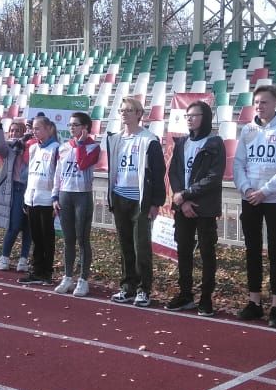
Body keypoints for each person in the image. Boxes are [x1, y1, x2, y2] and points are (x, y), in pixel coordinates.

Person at [233, 84, 276, 327]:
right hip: (250, 198)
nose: (260, 106)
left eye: (265, 102)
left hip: (275, 200)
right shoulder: (248, 130)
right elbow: (239, 163)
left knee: (275, 252)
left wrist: (265, 191)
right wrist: (247, 189)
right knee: (252, 250)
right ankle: (254, 302)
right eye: (257, 102)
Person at [106, 96, 167, 308]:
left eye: (129, 110)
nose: (124, 113)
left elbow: (159, 173)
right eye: (122, 110)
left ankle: (143, 289)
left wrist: (156, 202)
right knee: (125, 246)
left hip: (140, 200)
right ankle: (127, 286)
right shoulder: (115, 139)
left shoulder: (149, 140)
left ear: (139, 114)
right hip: (119, 196)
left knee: (141, 246)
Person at [166, 100, 225, 315]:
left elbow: (213, 177)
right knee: (183, 251)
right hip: (184, 206)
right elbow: (174, 173)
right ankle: (185, 294)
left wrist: (187, 195)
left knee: (207, 252)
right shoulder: (181, 143)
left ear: (205, 117)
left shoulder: (214, 143)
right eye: (187, 115)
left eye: (194, 115)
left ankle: (206, 297)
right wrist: (183, 201)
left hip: (205, 207)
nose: (189, 118)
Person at [52, 111, 101, 297]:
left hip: (82, 196)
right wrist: (54, 197)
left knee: (82, 238)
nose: (71, 127)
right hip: (65, 195)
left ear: (85, 127)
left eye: (75, 125)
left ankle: (83, 279)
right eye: (70, 124)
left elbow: (82, 164)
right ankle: (67, 276)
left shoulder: (93, 147)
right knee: (68, 239)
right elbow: (57, 173)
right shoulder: (64, 147)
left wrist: (80, 143)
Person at [18, 116, 60, 285]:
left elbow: (57, 175)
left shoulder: (56, 148)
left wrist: (55, 197)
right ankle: (37, 270)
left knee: (47, 237)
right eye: (33, 128)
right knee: (36, 236)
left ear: (49, 129)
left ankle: (47, 272)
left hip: (47, 199)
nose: (35, 132)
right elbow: (30, 174)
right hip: (32, 198)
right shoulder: (34, 147)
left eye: (38, 128)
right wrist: (26, 197)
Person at [0, 118, 32, 273]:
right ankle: (4, 256)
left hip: (30, 189)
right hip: (15, 189)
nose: (15, 133)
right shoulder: (10, 147)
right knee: (14, 225)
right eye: (12, 130)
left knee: (28, 227)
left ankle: (23, 259)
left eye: (18, 130)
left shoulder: (31, 146)